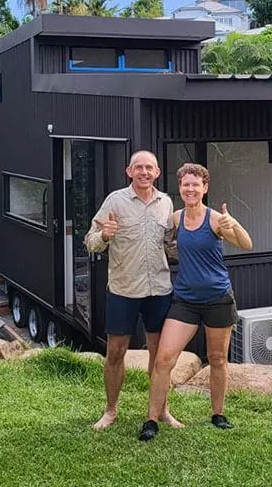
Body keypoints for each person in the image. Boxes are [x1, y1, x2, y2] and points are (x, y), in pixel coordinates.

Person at [139, 163, 253, 441]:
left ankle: (218, 414)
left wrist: (233, 224)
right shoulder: (176, 219)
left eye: (195, 184)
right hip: (185, 300)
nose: (190, 189)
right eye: (185, 184)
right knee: (164, 359)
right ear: (180, 188)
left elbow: (246, 243)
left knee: (217, 359)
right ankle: (152, 419)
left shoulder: (216, 220)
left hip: (218, 299)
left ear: (205, 188)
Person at [84, 150, 181, 430]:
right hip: (123, 289)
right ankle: (111, 410)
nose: (144, 172)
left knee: (159, 354)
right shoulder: (115, 201)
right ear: (129, 172)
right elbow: (90, 241)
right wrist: (104, 235)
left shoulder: (166, 203)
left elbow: (169, 245)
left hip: (159, 288)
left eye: (149, 168)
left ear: (158, 172)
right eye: (138, 167)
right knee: (115, 351)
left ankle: (162, 410)